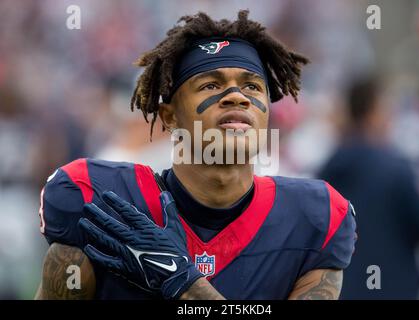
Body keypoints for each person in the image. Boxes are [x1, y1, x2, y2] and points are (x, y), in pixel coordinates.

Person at [35, 11, 356, 300]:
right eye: (211, 85)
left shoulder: (314, 217)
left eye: (252, 87)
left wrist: (183, 282)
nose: (236, 96)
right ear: (169, 115)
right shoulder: (100, 201)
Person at [318, 76, 419, 299]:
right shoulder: (395, 168)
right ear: (373, 112)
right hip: (393, 286)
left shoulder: (327, 169)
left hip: (343, 288)